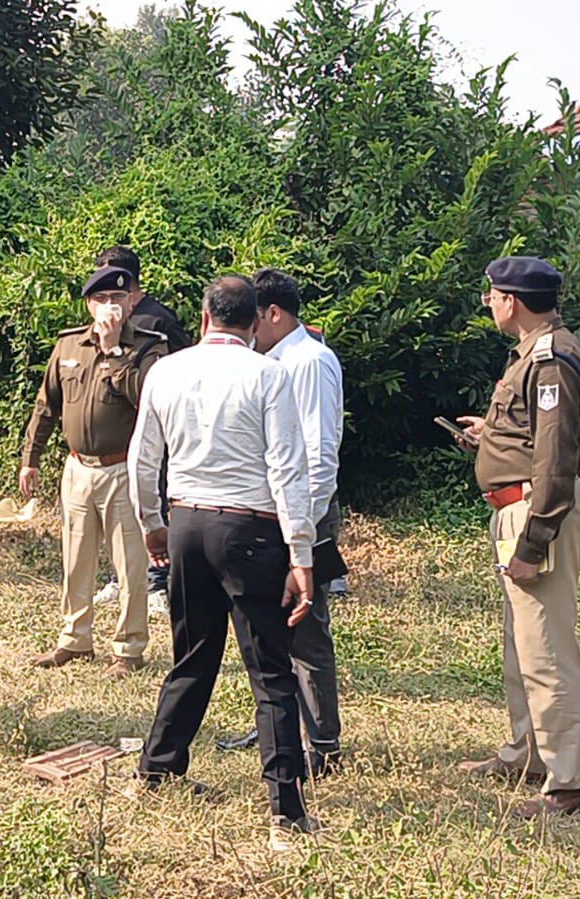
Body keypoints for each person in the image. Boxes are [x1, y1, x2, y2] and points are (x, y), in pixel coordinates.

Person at [127, 275, 317, 850]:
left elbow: (143, 458)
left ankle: (157, 769)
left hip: (186, 522)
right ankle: (285, 810)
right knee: (270, 669)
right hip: (250, 529)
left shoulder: (166, 370)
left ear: (204, 317)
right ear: (257, 322)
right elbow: (287, 466)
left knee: (191, 654)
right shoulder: (269, 373)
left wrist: (151, 525)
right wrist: (301, 552)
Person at [454, 256, 580, 819]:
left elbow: (556, 459)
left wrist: (533, 544)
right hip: (520, 507)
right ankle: (527, 754)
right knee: (523, 646)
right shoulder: (536, 354)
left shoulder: (550, 358)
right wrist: (492, 438)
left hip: (537, 513)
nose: (488, 302)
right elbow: (535, 436)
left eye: (491, 294)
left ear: (511, 300)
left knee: (547, 652)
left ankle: (564, 782)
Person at [217, 269, 345, 778]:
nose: (248, 330)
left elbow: (319, 457)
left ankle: (324, 744)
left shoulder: (309, 362)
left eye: (253, 318)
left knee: (305, 630)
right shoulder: (270, 361)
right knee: (266, 628)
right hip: (268, 513)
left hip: (302, 514)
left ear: (273, 314)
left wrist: (302, 537)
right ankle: (278, 726)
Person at [20, 265, 167, 677]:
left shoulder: (149, 348)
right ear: (89, 303)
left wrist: (116, 350)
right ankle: (74, 639)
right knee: (75, 559)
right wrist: (31, 458)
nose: (109, 307)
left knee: (130, 564)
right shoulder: (69, 345)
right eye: (101, 300)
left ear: (131, 302)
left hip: (124, 469)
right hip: (77, 469)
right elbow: (46, 405)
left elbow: (149, 402)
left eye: (118, 299)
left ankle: (129, 648)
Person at [91, 247, 191, 616]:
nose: (105, 297)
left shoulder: (157, 321)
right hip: (113, 438)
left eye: (113, 289)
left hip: (151, 436)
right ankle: (120, 578)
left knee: (152, 504)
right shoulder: (100, 324)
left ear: (131, 286)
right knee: (116, 514)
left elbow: (176, 375)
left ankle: (156, 584)